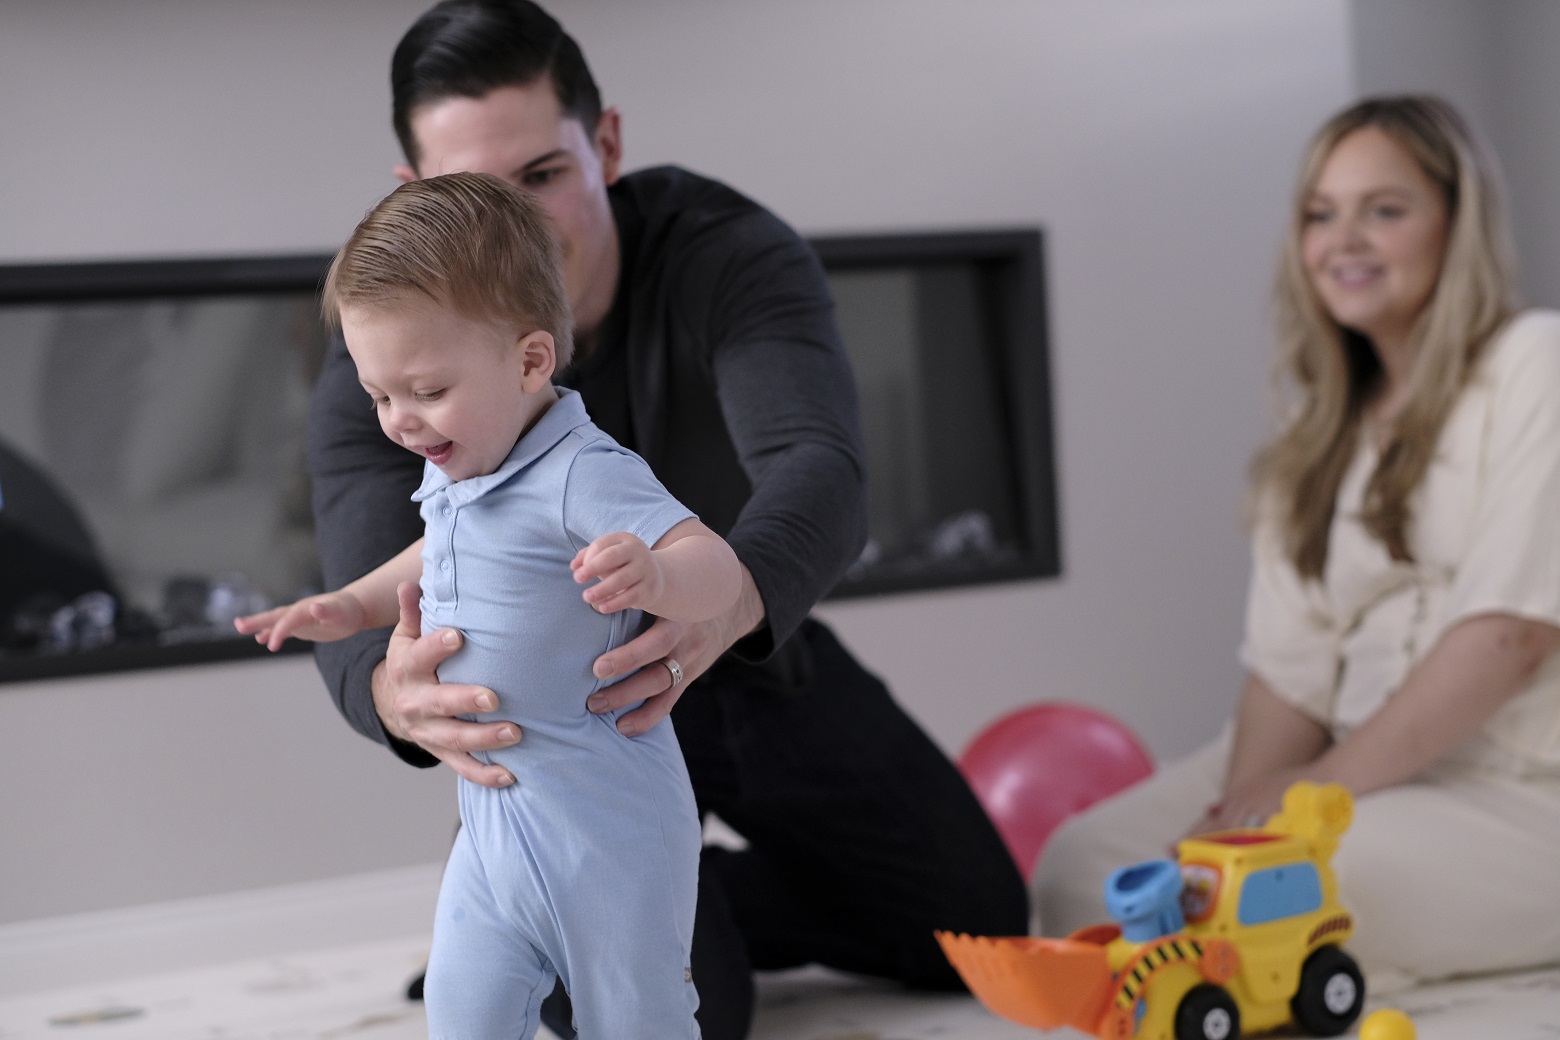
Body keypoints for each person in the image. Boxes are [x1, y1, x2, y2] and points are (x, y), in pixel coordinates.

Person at [305, 2, 1028, 1037]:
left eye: (542, 175)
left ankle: (711, 897)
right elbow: (362, 581)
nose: (521, 225)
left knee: (981, 925)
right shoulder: (388, 365)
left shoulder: (726, 254)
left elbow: (819, 467)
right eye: (477, 191)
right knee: (683, 1013)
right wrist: (390, 690)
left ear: (605, 145)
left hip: (745, 652)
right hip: (568, 738)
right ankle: (546, 925)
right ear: (416, 194)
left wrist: (720, 606)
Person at [1033, 95, 1560, 990]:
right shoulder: (1314, 434)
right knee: (1082, 868)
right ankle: (1219, 965)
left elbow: (1509, 636)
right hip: (1348, 768)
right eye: (1321, 214)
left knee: (1284, 893)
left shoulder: (1535, 362)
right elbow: (1290, 673)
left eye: (1383, 210)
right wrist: (1234, 829)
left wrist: (1313, 798)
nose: (1343, 240)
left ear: (1456, 222)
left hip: (1510, 789)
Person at [241, 171, 741, 1037]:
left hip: (607, 830)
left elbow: (718, 569)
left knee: (636, 1017)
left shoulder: (583, 472)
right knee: (462, 1005)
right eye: (379, 396)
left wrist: (659, 578)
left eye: (427, 391)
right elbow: (440, 552)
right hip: (495, 827)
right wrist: (352, 605)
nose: (401, 422)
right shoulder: (461, 466)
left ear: (530, 360)